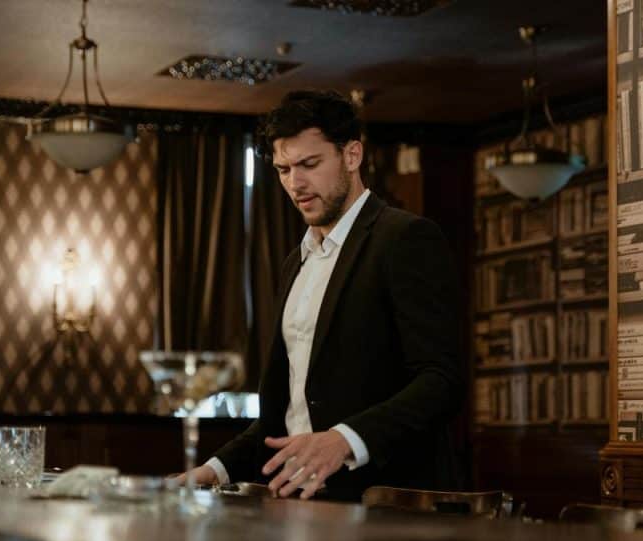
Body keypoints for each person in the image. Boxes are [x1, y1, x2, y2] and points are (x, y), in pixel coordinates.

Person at [184, 90, 462, 502]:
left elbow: (441, 380)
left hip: (388, 505)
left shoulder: (405, 239)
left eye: (309, 165)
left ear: (352, 156)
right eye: (283, 169)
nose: (295, 183)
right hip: (300, 502)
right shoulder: (293, 262)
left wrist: (345, 440)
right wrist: (213, 469)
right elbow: (288, 410)